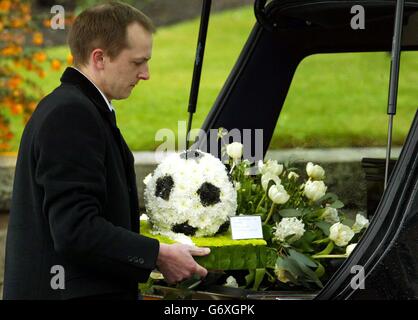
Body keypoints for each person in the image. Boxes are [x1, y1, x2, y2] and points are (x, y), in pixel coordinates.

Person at [3, 1, 210, 300]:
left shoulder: (79, 107)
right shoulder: (71, 114)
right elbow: (75, 229)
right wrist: (158, 255)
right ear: (99, 58)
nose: (146, 74)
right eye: (138, 62)